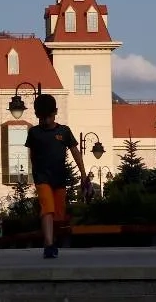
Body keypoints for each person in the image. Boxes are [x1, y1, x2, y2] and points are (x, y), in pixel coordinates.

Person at [24, 94, 89, 259]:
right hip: (42, 178)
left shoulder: (64, 131)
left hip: (59, 178)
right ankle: (48, 244)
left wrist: (83, 174)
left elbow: (75, 152)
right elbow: (31, 154)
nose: (45, 121)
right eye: (42, 117)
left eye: (48, 117)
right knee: (47, 208)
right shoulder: (34, 133)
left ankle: (51, 239)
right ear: (37, 115)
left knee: (58, 215)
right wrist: (35, 172)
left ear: (55, 112)